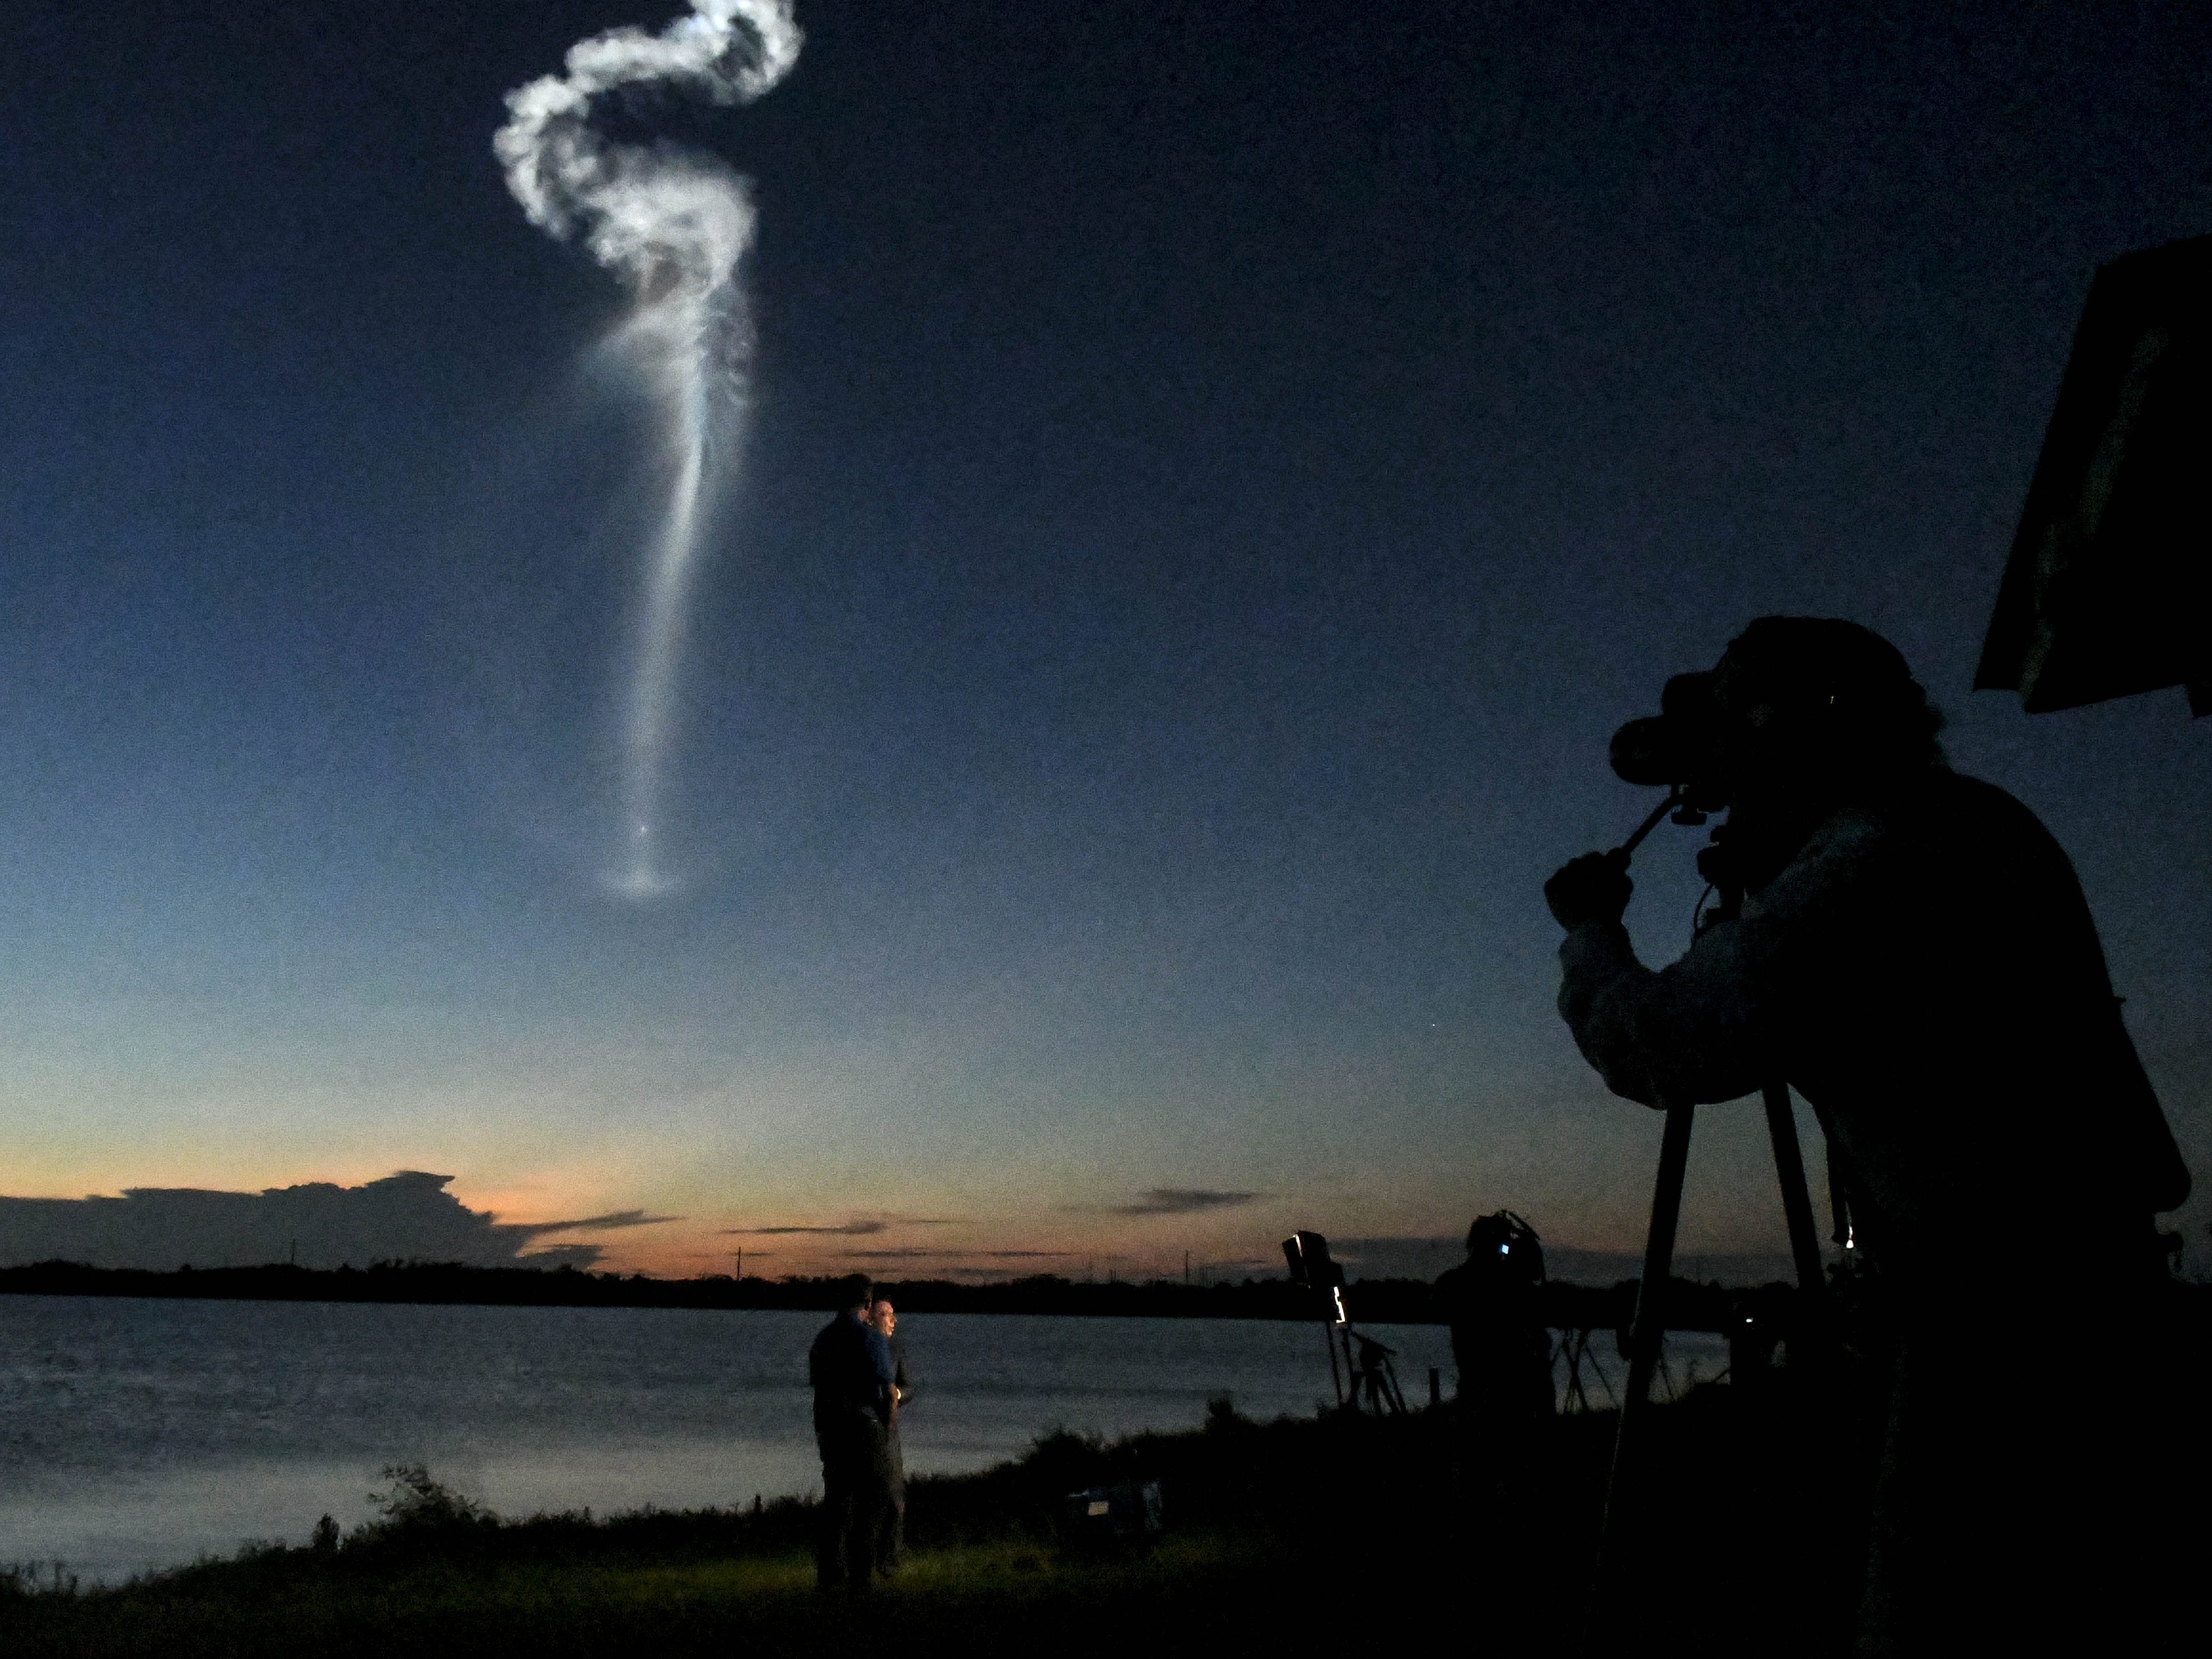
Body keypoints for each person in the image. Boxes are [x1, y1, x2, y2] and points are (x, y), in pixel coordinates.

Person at [1544, 617, 2191, 1654]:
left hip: (2003, 1326)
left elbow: (1665, 1041)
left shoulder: (1875, 858)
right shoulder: (1969, 822)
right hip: (2064, 1295)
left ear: (1794, 730)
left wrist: (1588, 932)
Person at [807, 1276, 895, 1594]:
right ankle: (861, 1574)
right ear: (868, 1304)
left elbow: (819, 1391)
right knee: (873, 1498)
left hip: (832, 1428)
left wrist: (821, 1432)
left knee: (837, 1502)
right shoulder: (871, 1339)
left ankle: (829, 1574)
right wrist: (887, 1427)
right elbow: (886, 1390)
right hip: (863, 1426)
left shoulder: (823, 1339)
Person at [1433, 1212, 1552, 1427]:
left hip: (1475, 1389)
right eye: (1501, 1245)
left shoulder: (1452, 1282)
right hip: (1508, 1393)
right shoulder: (1512, 1286)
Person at [867, 1296, 912, 1577]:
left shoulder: (896, 1348)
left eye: (894, 1315)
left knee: (896, 1499)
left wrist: (898, 1394)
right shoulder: (860, 1348)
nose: (893, 1321)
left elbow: (909, 1386)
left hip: (889, 1432)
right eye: (886, 1315)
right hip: (865, 1430)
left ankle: (890, 1562)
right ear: (871, 1318)